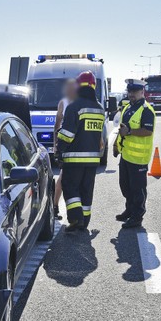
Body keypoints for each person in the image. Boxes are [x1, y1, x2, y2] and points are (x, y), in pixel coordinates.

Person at [56, 71, 104, 232]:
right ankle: (84, 220)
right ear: (93, 87)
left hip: (74, 158)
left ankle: (76, 220)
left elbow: (67, 134)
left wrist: (59, 151)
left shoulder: (74, 106)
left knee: (70, 187)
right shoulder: (99, 108)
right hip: (92, 160)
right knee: (86, 190)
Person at [114, 81, 155, 229]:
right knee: (125, 186)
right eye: (129, 91)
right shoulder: (128, 108)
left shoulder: (146, 110)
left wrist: (130, 132)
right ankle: (129, 209)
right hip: (125, 155)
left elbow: (148, 130)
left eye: (135, 91)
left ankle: (137, 216)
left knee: (138, 189)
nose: (131, 94)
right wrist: (115, 145)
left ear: (142, 92)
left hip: (138, 158)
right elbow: (122, 129)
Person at [53, 79, 78, 220]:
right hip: (67, 146)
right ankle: (55, 206)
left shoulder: (82, 102)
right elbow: (57, 125)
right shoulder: (64, 102)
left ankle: (73, 211)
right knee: (63, 179)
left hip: (78, 146)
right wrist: (56, 145)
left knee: (71, 179)